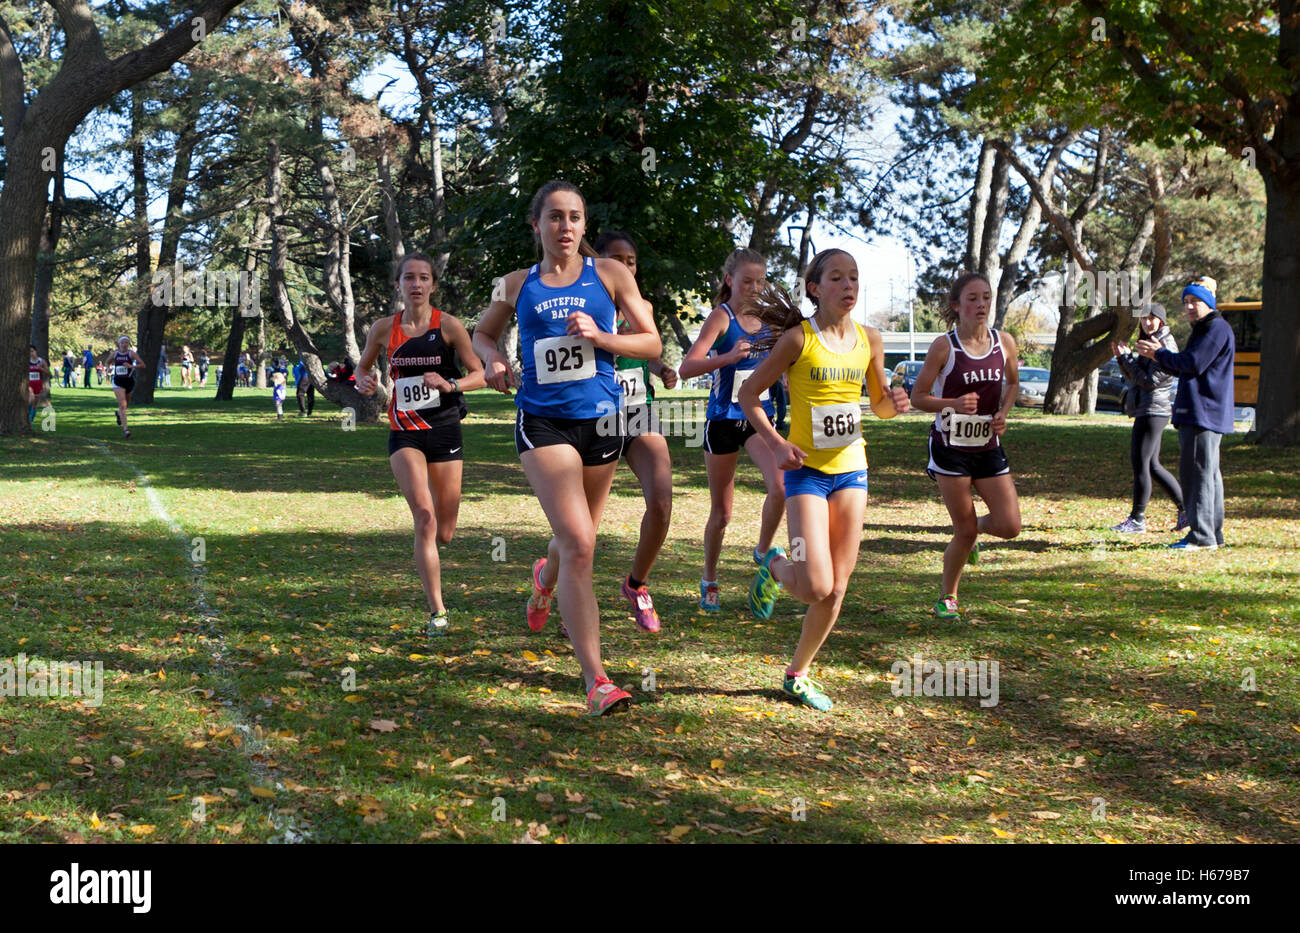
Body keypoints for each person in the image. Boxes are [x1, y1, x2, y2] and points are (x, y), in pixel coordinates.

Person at [472, 179, 661, 716]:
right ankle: (597, 679)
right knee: (580, 542)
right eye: (555, 217)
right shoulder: (513, 284)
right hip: (543, 422)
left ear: (584, 226)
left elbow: (651, 343)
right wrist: (493, 361)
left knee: (576, 540)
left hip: (602, 422)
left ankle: (543, 580)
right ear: (537, 226)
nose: (566, 227)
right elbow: (483, 334)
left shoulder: (611, 274)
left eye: (575, 217)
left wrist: (602, 337)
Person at [740, 249, 910, 711]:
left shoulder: (870, 339)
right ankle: (773, 565)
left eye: (854, 277)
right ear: (815, 288)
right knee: (815, 584)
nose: (848, 286)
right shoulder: (798, 340)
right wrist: (776, 444)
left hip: (852, 469)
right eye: (837, 278)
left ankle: (798, 674)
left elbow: (876, 405)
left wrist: (894, 402)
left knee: (837, 586)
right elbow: (748, 394)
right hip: (805, 474)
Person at [356, 252, 493, 638]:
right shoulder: (383, 328)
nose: (416, 284)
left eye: (423, 278)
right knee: (425, 516)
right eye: (409, 278)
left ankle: (436, 579)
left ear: (433, 285)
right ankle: (437, 610)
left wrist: (450, 385)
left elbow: (478, 374)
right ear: (398, 284)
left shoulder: (449, 327)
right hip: (404, 431)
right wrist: (363, 382)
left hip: (445, 427)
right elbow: (363, 368)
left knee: (445, 531)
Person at [677, 248, 785, 612]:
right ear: (730, 281)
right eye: (747, 281)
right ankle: (709, 576)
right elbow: (687, 368)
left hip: (759, 420)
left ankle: (761, 551)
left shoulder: (772, 321)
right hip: (723, 421)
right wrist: (728, 357)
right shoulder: (721, 318)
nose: (755, 289)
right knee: (722, 513)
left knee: (781, 487)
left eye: (761, 281)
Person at [910, 272, 1022, 621]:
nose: (981, 305)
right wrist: (954, 404)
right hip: (951, 447)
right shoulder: (945, 347)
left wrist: (1003, 413)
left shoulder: (1004, 342)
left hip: (988, 444)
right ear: (957, 306)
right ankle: (948, 596)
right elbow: (918, 397)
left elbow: (1014, 383)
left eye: (986, 297)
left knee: (1009, 526)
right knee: (964, 528)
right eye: (972, 298)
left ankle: (975, 536)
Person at [594, 230, 677, 633]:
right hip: (593, 415)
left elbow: (652, 352)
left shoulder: (641, 305)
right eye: (615, 258)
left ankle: (636, 584)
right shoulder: (587, 303)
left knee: (661, 502)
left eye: (631, 260)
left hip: (639, 414)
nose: (625, 267)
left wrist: (663, 370)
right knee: (582, 525)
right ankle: (558, 589)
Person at [1136, 275, 1235, 551]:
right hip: (1203, 412)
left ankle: (1202, 537)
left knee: (1198, 475)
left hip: (1202, 412)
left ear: (1209, 303)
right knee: (1208, 474)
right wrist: (1156, 356)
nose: (1190, 307)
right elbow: (1184, 366)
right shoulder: (1205, 329)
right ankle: (1213, 535)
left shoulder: (1215, 328)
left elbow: (1193, 363)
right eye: (1186, 302)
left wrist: (1159, 354)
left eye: (1196, 302)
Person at [1109, 303, 1185, 533]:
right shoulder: (1149, 343)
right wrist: (1124, 359)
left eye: (1152, 319)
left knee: (1141, 463)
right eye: (1143, 319)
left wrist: (1128, 360)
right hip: (1146, 408)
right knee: (1151, 464)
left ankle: (1137, 519)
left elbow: (1151, 382)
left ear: (1161, 321)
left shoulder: (1164, 344)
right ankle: (1186, 510)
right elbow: (1136, 378)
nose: (1147, 323)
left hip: (1154, 409)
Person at [107, 336, 145, 438]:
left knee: (125, 405)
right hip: (118, 381)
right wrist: (109, 369)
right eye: (123, 342)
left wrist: (132, 366)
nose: (125, 344)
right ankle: (126, 430)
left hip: (129, 382)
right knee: (123, 406)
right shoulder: (115, 354)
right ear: (119, 343)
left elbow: (143, 365)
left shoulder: (131, 354)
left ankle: (118, 413)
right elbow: (107, 362)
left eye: (127, 342)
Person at [27, 346, 50, 423]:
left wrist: (41, 369)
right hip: (29, 384)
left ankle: (31, 419)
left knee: (35, 405)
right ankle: (28, 416)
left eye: (32, 351)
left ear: (36, 351)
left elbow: (49, 373)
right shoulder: (27, 361)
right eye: (29, 352)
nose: (31, 353)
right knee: (31, 397)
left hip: (38, 384)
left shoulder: (41, 361)